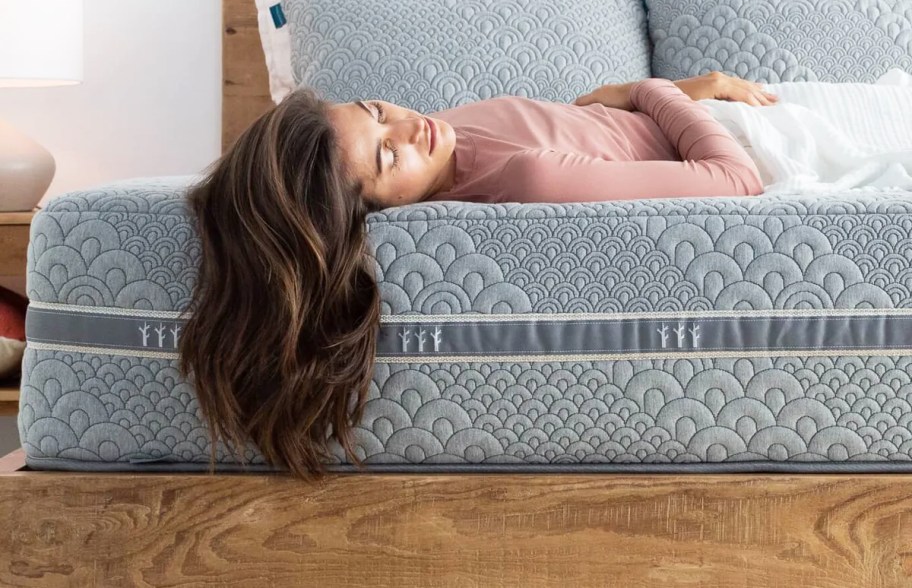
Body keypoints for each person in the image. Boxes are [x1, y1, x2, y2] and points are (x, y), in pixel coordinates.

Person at [177, 72, 780, 481]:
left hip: (703, 108)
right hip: (762, 133)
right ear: (379, 212)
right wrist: (654, 87)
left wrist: (627, 99)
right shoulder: (527, 181)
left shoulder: (439, 141)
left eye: (377, 112)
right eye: (389, 155)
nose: (413, 128)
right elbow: (738, 181)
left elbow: (567, 134)